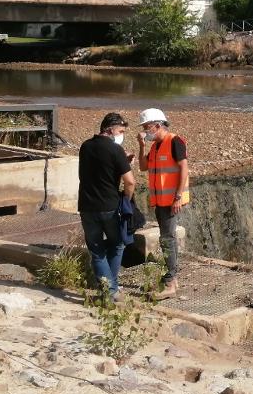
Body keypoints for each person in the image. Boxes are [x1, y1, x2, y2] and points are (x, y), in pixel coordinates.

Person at [79, 113, 136, 300]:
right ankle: (111, 291)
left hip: (87, 206)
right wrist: (127, 200)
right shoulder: (115, 150)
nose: (122, 135)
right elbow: (130, 182)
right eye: (121, 131)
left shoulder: (85, 147)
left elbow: (93, 172)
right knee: (117, 244)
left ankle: (109, 290)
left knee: (96, 251)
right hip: (110, 207)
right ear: (110, 129)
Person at [137, 108, 188, 299]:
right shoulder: (156, 146)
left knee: (167, 239)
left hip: (170, 201)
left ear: (157, 125)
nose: (144, 131)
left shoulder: (175, 141)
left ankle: (170, 282)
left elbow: (184, 168)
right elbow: (143, 167)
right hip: (160, 201)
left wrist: (178, 197)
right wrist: (142, 145)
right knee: (168, 237)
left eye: (146, 127)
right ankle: (172, 278)